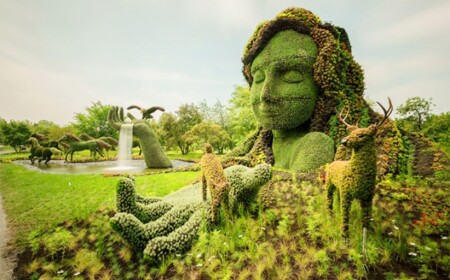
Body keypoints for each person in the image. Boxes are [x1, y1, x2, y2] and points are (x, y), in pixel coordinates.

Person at [227, 7, 368, 172]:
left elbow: (298, 191)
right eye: (258, 78)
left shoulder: (314, 144)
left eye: (292, 76)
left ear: (323, 86)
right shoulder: (261, 147)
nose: (266, 94)